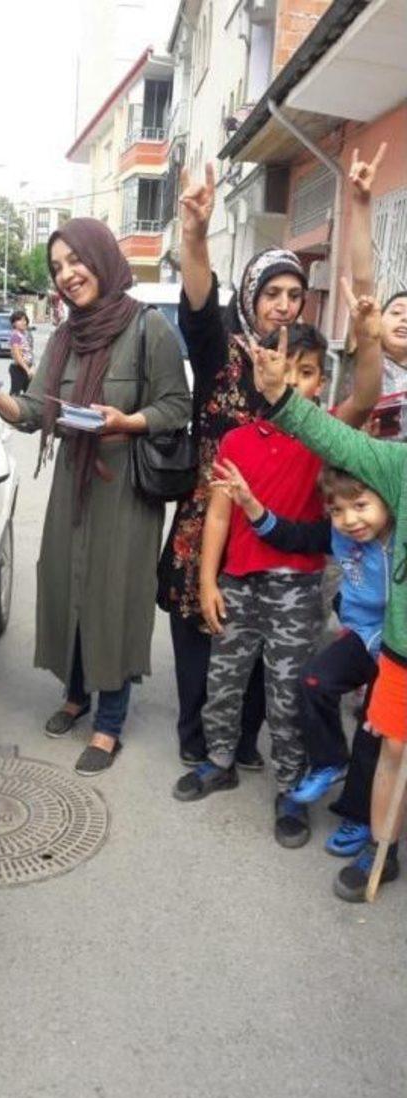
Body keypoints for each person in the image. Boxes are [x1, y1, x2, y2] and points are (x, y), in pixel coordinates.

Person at [158, 161, 381, 785]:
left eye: (294, 295)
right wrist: (195, 233)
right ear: (252, 299)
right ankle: (201, 743)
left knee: (265, 649)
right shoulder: (221, 351)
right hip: (214, 506)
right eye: (272, 294)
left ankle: (247, 743)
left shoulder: (305, 367)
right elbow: (199, 303)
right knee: (205, 630)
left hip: (282, 528)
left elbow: (353, 403)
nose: (283, 306)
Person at [0, 217, 190, 775]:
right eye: (57, 268)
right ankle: (76, 693)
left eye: (74, 261)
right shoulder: (64, 337)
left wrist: (128, 420)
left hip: (125, 492)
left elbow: (177, 407)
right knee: (68, 585)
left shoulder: (147, 329)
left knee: (113, 596)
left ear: (101, 257)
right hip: (73, 487)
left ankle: (110, 722)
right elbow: (35, 412)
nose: (66, 275)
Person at [177, 301, 380, 847]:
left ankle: (291, 788)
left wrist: (368, 340)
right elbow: (219, 512)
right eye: (286, 367)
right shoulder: (237, 440)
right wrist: (206, 582)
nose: (293, 380)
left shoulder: (325, 436)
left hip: (296, 586)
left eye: (308, 371)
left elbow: (365, 395)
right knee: (224, 679)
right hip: (238, 582)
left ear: (320, 381)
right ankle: (219, 760)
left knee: (288, 693)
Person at [251, 295, 407, 901]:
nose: (350, 518)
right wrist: (281, 398)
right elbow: (333, 440)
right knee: (389, 746)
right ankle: (381, 848)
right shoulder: (394, 465)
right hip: (397, 647)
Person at [212, 457, 392, 858]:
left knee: (373, 733)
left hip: (398, 645)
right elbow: (290, 535)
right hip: (363, 637)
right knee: (313, 682)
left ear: (387, 498)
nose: (349, 520)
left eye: (360, 506)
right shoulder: (337, 534)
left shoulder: (397, 535)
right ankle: (330, 761)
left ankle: (361, 820)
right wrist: (249, 502)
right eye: (337, 510)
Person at [348, 141, 407, 404]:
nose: (404, 320)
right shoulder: (369, 355)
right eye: (396, 312)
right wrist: (361, 202)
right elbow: (362, 277)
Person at [9, 309, 35, 396]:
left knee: (30, 394)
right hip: (18, 369)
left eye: (24, 320)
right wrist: (27, 370)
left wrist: (32, 366)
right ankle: (6, 409)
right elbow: (17, 357)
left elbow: (30, 353)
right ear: (14, 323)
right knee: (15, 394)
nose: (23, 322)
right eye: (19, 320)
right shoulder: (15, 336)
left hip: (26, 368)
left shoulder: (26, 335)